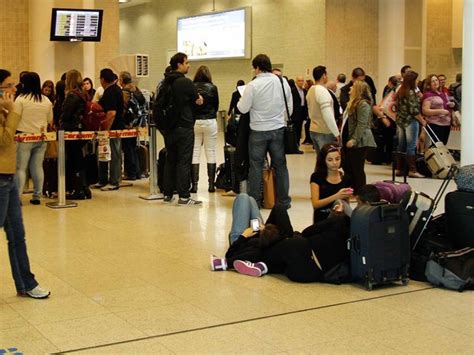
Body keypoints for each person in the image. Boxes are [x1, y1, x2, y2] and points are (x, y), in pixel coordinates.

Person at [0, 68, 50, 299]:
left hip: (9, 179)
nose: (13, 90)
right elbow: (4, 139)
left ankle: (26, 283)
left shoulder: (6, 108)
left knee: (17, 236)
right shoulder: (8, 109)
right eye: (9, 86)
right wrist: (11, 113)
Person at [237, 54, 292, 209]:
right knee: (280, 165)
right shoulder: (282, 82)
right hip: (277, 129)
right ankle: (283, 201)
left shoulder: (253, 85)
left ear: (257, 68)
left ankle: (254, 201)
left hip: (258, 130)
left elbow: (242, 108)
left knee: (255, 166)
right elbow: (290, 106)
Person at [210, 193, 295, 274]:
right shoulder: (283, 242)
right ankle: (265, 232)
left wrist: (243, 236)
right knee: (250, 199)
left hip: (244, 240)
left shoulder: (258, 253)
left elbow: (230, 255)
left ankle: (261, 232)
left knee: (243, 197)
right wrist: (266, 230)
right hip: (266, 236)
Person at [162, 52, 204, 205]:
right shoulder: (185, 82)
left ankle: (167, 194)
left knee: (170, 160)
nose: (188, 65)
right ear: (179, 64)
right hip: (184, 126)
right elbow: (198, 100)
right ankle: (184, 196)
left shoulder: (165, 82)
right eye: (186, 63)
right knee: (184, 161)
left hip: (169, 127)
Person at [14, 72, 53, 205]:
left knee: (21, 168)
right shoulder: (46, 100)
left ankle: (17, 197)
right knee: (37, 167)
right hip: (41, 137)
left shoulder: (21, 99)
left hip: (24, 136)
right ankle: (37, 195)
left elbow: (15, 117)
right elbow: (50, 119)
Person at [60, 69, 92, 199]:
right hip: (82, 129)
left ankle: (77, 189)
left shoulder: (72, 95)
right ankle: (84, 187)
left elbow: (66, 114)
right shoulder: (84, 94)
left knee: (73, 159)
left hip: (71, 129)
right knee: (79, 158)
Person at [342, 80, 376, 192]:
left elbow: (362, 124)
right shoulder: (352, 103)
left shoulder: (363, 104)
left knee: (357, 169)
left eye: (353, 87)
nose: (350, 89)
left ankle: (360, 192)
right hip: (351, 138)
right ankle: (352, 190)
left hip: (361, 140)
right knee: (349, 167)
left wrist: (354, 140)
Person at [191, 65, 219, 193]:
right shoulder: (213, 88)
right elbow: (216, 106)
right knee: (211, 152)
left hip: (195, 122)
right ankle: (211, 185)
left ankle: (195, 185)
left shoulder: (192, 87)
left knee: (195, 152)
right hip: (210, 121)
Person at [95, 68, 124, 191]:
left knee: (114, 154)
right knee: (103, 154)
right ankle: (103, 179)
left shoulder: (112, 91)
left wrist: (105, 129)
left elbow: (111, 113)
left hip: (113, 128)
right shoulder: (112, 90)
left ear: (102, 79)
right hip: (109, 129)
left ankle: (114, 181)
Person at [394, 70, 426, 178]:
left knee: (401, 145)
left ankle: (399, 169)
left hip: (400, 121)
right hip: (410, 121)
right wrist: (422, 121)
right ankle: (412, 170)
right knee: (411, 146)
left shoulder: (400, 91)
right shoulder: (411, 92)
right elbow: (414, 110)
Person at [310, 143, 352, 223]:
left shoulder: (346, 178)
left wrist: (340, 206)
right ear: (324, 160)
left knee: (340, 203)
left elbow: (347, 204)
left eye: (337, 159)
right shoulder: (316, 177)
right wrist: (337, 196)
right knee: (338, 201)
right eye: (330, 160)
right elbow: (315, 204)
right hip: (322, 221)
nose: (334, 163)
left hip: (339, 220)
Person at [307, 66, 339, 154]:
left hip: (313, 128)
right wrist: (336, 132)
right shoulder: (322, 91)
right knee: (326, 160)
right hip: (324, 131)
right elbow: (327, 114)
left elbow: (310, 111)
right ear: (323, 75)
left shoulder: (310, 90)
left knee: (320, 160)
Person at [119, 71, 145, 181]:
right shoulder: (137, 90)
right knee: (133, 148)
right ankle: (138, 172)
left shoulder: (125, 91)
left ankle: (131, 173)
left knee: (127, 148)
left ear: (121, 80)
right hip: (137, 122)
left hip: (127, 123)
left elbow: (123, 108)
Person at [421, 74, 452, 146]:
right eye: (432, 81)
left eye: (436, 80)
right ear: (429, 84)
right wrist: (440, 111)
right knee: (437, 146)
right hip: (435, 124)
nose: (435, 82)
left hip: (446, 123)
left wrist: (451, 105)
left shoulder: (443, 93)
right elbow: (425, 111)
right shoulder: (428, 95)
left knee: (443, 146)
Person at [290, 75, 308, 150]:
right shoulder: (292, 91)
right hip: (295, 114)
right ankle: (294, 146)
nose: (301, 82)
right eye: (299, 81)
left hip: (302, 112)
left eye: (302, 81)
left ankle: (297, 145)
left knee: (299, 129)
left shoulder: (305, 91)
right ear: (296, 82)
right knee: (295, 130)